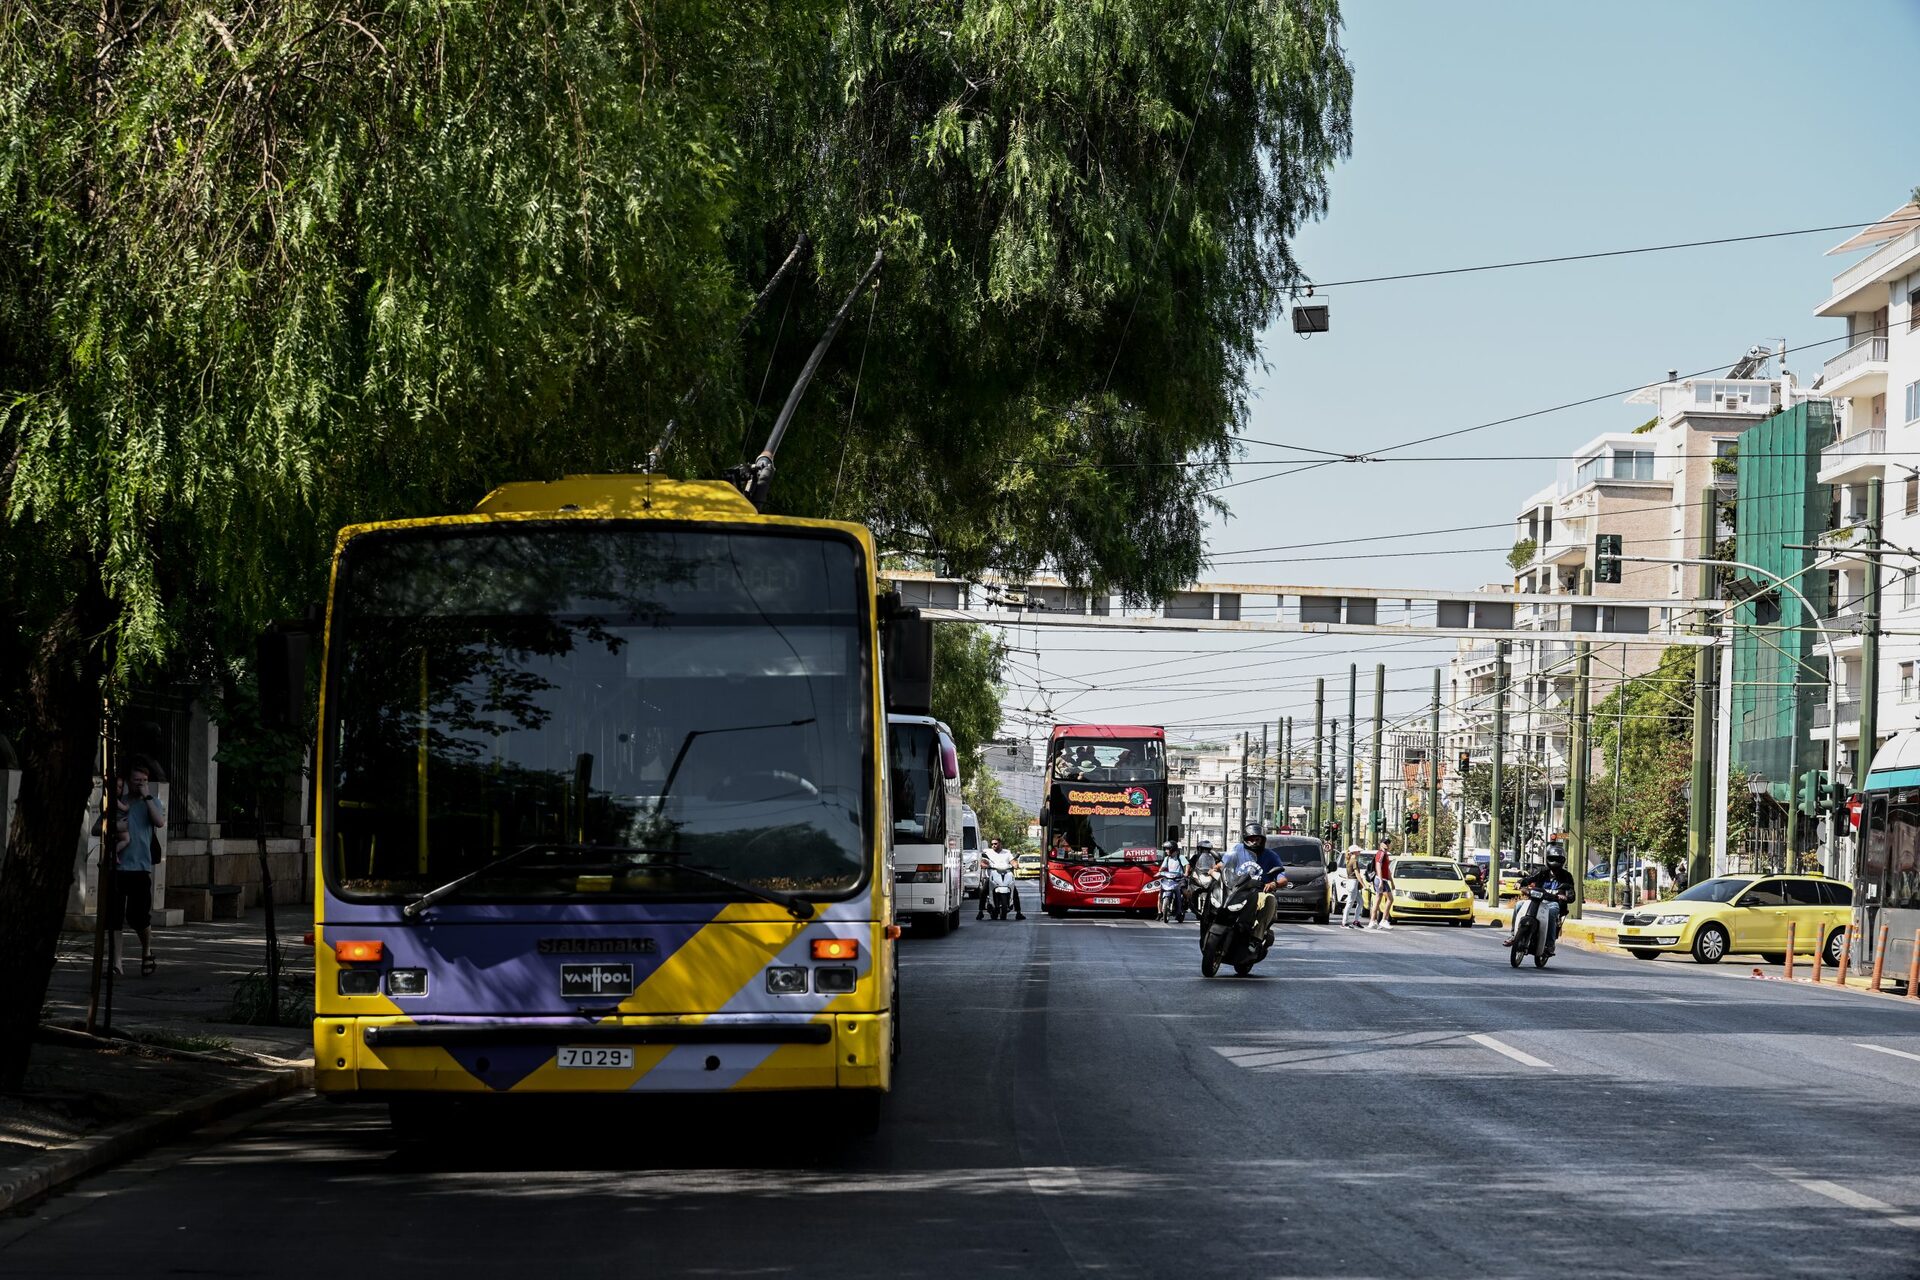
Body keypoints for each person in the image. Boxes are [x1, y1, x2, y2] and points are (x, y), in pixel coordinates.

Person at [93, 759, 165, 976]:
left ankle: (146, 950)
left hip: (140, 868)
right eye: (136, 780)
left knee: (138, 916)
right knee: (114, 917)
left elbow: (159, 822)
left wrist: (147, 797)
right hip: (117, 869)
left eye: (144, 780)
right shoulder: (117, 801)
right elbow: (97, 829)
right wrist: (113, 826)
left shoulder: (151, 802)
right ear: (127, 782)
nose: (140, 784)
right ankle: (117, 963)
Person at [1225, 822, 1287, 944]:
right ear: (1245, 839)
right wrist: (1213, 870)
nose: (1254, 842)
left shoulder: (1271, 855)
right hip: (1236, 890)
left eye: (1257, 839)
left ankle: (1256, 937)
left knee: (1270, 899)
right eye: (1251, 839)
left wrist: (1274, 884)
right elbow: (1223, 864)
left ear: (1263, 840)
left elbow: (1283, 879)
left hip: (1258, 892)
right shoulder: (1238, 850)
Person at [1503, 849, 1575, 954]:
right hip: (1536, 901)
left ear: (1563, 860)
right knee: (1518, 905)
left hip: (1553, 903)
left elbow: (1571, 893)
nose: (1554, 862)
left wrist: (1566, 897)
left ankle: (1550, 944)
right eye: (1552, 859)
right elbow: (1529, 878)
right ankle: (1514, 935)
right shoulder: (1541, 871)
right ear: (1547, 859)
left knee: (1552, 912)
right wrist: (1520, 882)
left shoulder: (1567, 876)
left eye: (1557, 859)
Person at [977, 837, 1026, 920]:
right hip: (992, 875)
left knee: (1014, 891)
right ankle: (980, 912)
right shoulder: (988, 853)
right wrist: (984, 865)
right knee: (984, 891)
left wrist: (1015, 865)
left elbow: (1012, 861)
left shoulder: (1007, 852)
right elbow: (983, 862)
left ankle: (1018, 913)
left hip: (1006, 875)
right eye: (992, 844)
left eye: (995, 844)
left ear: (1000, 844)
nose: (993, 845)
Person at [1367, 836, 1395, 931]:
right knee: (1390, 899)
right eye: (1385, 842)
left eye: (1388, 842)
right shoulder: (1381, 853)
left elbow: (1387, 869)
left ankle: (1372, 921)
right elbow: (1378, 866)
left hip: (1382, 879)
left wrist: (1392, 881)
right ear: (1381, 844)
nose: (1387, 844)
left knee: (1378, 900)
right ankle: (1384, 920)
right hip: (1380, 879)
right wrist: (1380, 880)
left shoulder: (1385, 854)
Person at [1341, 844, 1368, 928]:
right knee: (1350, 903)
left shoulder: (1349, 860)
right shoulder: (1354, 861)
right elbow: (1357, 874)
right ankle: (1344, 922)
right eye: (1358, 850)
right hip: (1353, 883)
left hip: (1351, 883)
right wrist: (1364, 885)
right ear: (1354, 852)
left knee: (1361, 902)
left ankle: (1356, 921)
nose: (1359, 852)